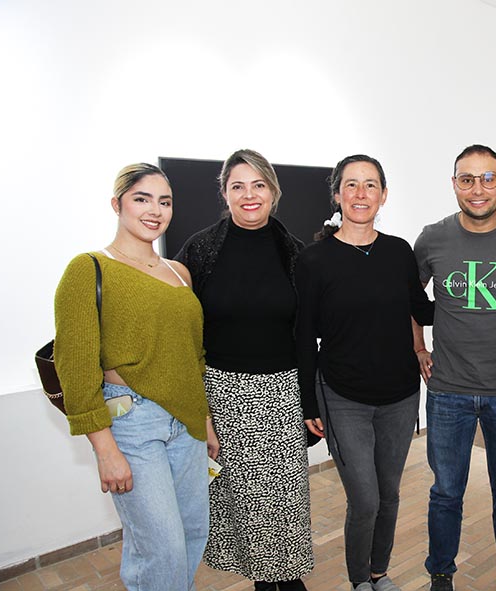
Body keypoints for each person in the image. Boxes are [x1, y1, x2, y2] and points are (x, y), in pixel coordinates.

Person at [55, 163, 213, 591]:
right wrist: (104, 448)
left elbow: (193, 356)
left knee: (192, 534)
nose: (155, 210)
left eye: (165, 201)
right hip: (131, 422)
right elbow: (75, 364)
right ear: (117, 204)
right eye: (142, 198)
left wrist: (206, 423)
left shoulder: (180, 274)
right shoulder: (88, 269)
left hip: (188, 424)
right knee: (159, 547)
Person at [175, 149, 313, 591]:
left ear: (273, 192)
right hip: (223, 394)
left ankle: (288, 581)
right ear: (225, 192)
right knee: (246, 506)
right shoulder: (199, 250)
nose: (248, 195)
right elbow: (183, 331)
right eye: (238, 186)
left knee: (284, 504)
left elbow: (309, 333)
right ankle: (263, 582)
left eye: (258, 185)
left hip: (282, 393)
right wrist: (200, 411)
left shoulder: (296, 253)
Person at [296, 154, 434, 591]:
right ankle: (359, 582)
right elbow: (302, 337)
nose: (361, 194)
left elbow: (422, 309)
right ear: (337, 195)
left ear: (384, 195)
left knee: (389, 496)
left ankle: (379, 573)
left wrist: (468, 293)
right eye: (351, 185)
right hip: (342, 396)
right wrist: (308, 401)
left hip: (400, 396)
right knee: (366, 499)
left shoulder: (398, 251)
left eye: (370, 185)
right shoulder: (314, 259)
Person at [412, 145, 496, 591]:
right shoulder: (432, 238)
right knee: (446, 493)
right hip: (447, 391)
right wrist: (418, 346)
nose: (477, 188)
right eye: (467, 179)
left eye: (487, 178)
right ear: (454, 184)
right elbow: (409, 297)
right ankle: (440, 573)